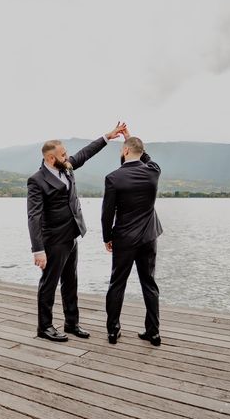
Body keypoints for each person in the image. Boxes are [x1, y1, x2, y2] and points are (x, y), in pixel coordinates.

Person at [27, 122, 127, 342]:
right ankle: (44, 327)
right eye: (64, 154)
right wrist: (38, 250)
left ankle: (71, 323)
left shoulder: (67, 167)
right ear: (51, 159)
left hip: (72, 235)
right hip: (53, 239)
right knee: (49, 283)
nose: (68, 156)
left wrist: (107, 137)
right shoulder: (37, 181)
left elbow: (85, 154)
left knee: (71, 281)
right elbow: (33, 216)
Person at [102, 133, 163, 346]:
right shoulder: (153, 172)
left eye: (122, 149)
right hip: (148, 237)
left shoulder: (113, 178)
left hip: (124, 238)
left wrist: (106, 237)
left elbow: (107, 213)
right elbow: (148, 158)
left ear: (125, 151)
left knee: (117, 283)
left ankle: (113, 331)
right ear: (140, 152)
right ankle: (153, 333)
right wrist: (132, 139)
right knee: (149, 284)